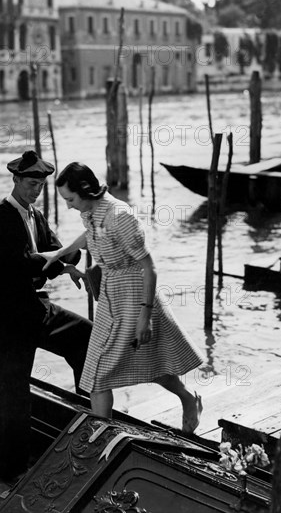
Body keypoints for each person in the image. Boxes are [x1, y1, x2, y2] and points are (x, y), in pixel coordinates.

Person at [38, 162, 205, 433]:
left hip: (135, 296)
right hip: (110, 296)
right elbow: (90, 235)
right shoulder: (91, 211)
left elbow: (150, 268)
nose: (67, 206)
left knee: (113, 373)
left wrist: (145, 317)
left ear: (85, 190)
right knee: (105, 372)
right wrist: (60, 253)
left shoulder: (120, 215)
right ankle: (103, 435)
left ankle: (184, 400)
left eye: (70, 199)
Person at [0, 151, 92, 483]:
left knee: (85, 336)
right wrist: (59, 258)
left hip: (32, 307)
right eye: (30, 185)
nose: (35, 191)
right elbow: (25, 261)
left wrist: (67, 259)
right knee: (13, 395)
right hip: (3, 317)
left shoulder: (36, 216)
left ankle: (88, 420)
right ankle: (12, 472)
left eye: (40, 186)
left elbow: (58, 250)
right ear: (15, 180)